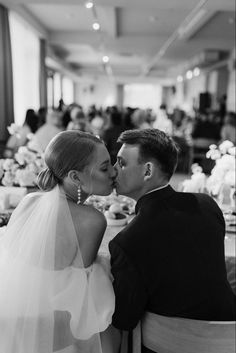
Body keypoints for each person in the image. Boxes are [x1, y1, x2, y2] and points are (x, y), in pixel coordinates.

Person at [109, 128, 236, 353]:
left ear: (148, 170)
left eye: (121, 163)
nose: (113, 170)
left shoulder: (127, 241)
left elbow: (125, 319)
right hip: (227, 338)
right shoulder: (207, 206)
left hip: (163, 345)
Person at [0, 131, 120, 353]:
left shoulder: (29, 201)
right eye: (104, 168)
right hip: (56, 333)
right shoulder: (93, 220)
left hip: (16, 325)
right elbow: (81, 289)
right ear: (75, 177)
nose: (114, 172)